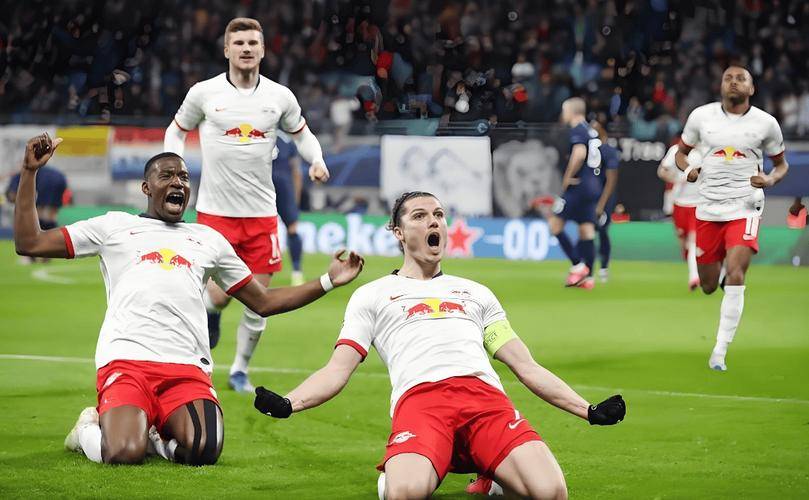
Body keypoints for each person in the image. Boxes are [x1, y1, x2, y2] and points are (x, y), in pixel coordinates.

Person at [14, 133, 363, 466]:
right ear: (146, 188)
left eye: (183, 176)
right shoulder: (113, 227)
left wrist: (328, 280)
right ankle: (86, 431)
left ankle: (155, 439)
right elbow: (30, 242)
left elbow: (264, 302)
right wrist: (30, 172)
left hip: (186, 368)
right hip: (127, 362)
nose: (178, 182)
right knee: (123, 452)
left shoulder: (209, 240)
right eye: (166, 176)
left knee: (204, 450)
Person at [253, 191, 626, 499]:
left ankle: (492, 474)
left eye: (439, 215)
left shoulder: (476, 294)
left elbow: (525, 365)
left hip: (485, 401)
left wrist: (588, 410)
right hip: (422, 402)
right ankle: (408, 475)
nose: (433, 222)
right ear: (398, 232)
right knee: (406, 493)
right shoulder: (372, 295)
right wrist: (290, 402)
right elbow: (338, 368)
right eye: (419, 216)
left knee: (551, 492)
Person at [163, 17, 331, 393]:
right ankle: (210, 315)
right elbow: (176, 130)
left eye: (253, 42)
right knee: (218, 298)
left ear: (263, 50)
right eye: (239, 43)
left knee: (259, 301)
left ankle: (239, 369)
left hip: (261, 216)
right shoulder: (204, 93)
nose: (246, 48)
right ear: (227, 50)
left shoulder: (279, 97)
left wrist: (316, 160)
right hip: (215, 214)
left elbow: (303, 135)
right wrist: (173, 166)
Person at [675, 65, 789, 371]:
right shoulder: (701, 117)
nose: (734, 82)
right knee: (708, 285)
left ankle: (719, 351)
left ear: (752, 88)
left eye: (741, 79)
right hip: (708, 207)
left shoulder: (766, 123)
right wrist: (689, 170)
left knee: (737, 273)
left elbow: (781, 165)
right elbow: (680, 154)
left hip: (745, 205)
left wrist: (770, 180)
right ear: (720, 86)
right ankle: (722, 276)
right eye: (728, 78)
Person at [550, 98, 603, 289]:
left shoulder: (578, 130)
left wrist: (567, 177)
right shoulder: (591, 131)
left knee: (555, 224)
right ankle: (588, 278)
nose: (563, 114)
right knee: (586, 229)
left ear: (572, 111)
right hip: (592, 185)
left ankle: (578, 266)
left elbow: (579, 154)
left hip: (578, 185)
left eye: (564, 110)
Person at [658, 141, 703, 291]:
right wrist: (677, 179)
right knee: (684, 243)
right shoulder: (676, 151)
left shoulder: (706, 151)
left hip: (698, 204)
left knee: (693, 241)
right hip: (679, 203)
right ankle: (691, 260)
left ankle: (694, 276)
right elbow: (662, 171)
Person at [7, 164, 68, 263]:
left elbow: (13, 196)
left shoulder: (18, 177)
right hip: (61, 180)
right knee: (50, 216)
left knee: (38, 215)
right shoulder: (47, 172)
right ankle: (47, 254)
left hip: (48, 182)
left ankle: (34, 254)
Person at [272, 132, 305, 286]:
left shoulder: (285, 139)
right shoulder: (286, 139)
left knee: (292, 228)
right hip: (276, 186)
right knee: (292, 228)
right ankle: (297, 272)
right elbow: (296, 171)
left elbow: (296, 171)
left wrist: (295, 198)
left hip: (277, 187)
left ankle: (297, 271)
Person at [592, 121, 619, 283]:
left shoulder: (608, 151)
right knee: (587, 231)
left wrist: (601, 205)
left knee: (602, 231)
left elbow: (611, 180)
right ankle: (586, 267)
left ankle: (603, 267)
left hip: (604, 198)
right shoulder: (588, 150)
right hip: (590, 197)